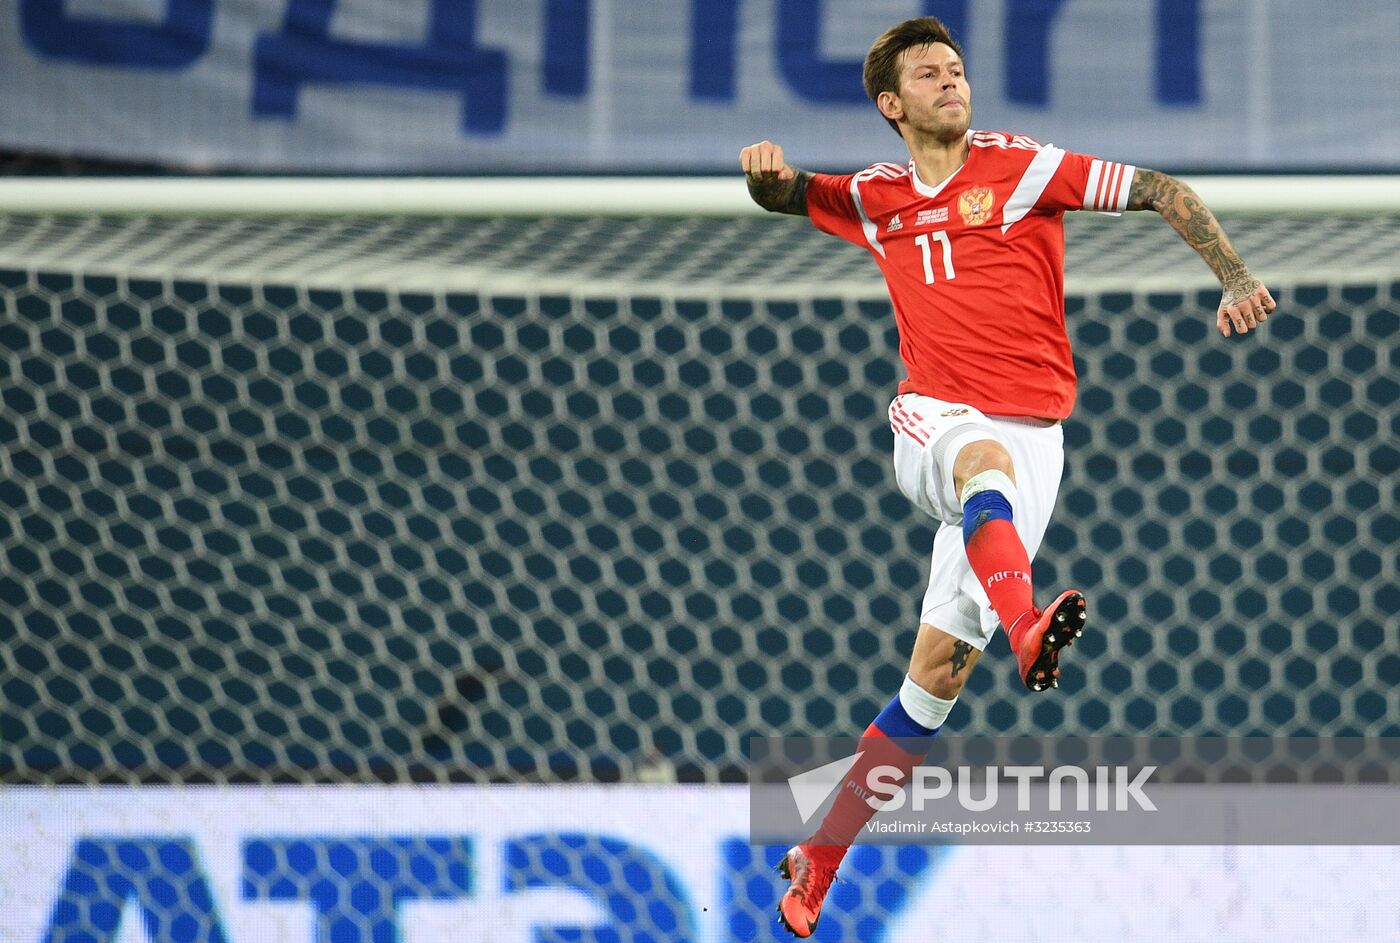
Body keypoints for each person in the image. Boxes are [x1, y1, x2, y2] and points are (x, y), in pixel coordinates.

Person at [739, 15, 1276, 938]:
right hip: (937, 422)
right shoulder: (875, 195)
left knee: (933, 684)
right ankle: (1029, 625)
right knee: (975, 460)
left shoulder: (1021, 166)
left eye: (956, 68)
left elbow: (1158, 188)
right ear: (890, 104)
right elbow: (789, 196)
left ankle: (815, 860)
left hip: (1038, 446)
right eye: (929, 74)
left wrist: (1232, 276)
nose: (952, 81)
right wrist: (765, 179)